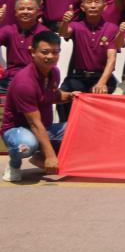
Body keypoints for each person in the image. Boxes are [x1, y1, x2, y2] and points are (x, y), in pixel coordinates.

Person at [3, 31, 76, 183]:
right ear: (33, 52)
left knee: (79, 128)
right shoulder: (24, 83)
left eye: (55, 52)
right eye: (45, 52)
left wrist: (72, 96)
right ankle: (14, 165)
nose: (50, 56)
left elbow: (53, 96)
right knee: (26, 145)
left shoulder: (54, 72)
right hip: (18, 130)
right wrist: (50, 156)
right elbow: (34, 124)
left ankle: (39, 157)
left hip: (44, 127)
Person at [55, 0, 118, 120]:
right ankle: (65, 129)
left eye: (97, 2)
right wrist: (65, 22)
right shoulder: (76, 26)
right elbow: (64, 33)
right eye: (89, 2)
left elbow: (112, 59)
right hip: (78, 77)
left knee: (103, 99)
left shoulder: (112, 28)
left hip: (102, 77)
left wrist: (101, 83)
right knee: (63, 94)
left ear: (104, 6)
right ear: (83, 7)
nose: (93, 5)